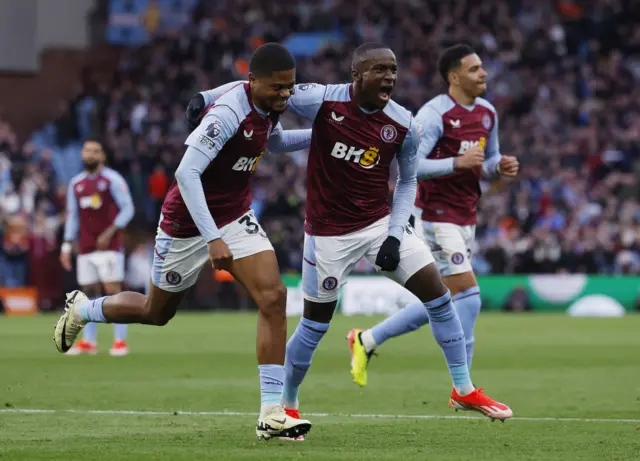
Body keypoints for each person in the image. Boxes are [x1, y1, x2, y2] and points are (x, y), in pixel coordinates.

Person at [53, 43, 313, 441]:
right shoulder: (229, 112)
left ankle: (271, 412)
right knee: (155, 311)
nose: (284, 95)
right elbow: (186, 174)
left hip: (234, 216)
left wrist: (322, 134)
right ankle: (84, 310)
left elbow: (274, 143)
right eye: (277, 88)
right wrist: (211, 239)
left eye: (289, 88)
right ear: (252, 82)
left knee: (274, 297)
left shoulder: (266, 109)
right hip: (185, 223)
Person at [278, 42, 512, 424]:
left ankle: (463, 388)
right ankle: (286, 403)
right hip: (327, 234)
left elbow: (407, 182)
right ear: (357, 75)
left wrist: (391, 234)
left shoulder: (402, 122)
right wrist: (210, 101)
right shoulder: (321, 100)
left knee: (440, 296)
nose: (389, 76)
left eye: (393, 69)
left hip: (377, 223)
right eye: (379, 69)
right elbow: (267, 91)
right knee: (315, 325)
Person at [347, 45, 519, 417]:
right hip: (433, 216)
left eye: (482, 68)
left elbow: (486, 160)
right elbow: (411, 167)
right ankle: (465, 388)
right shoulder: (434, 113)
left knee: (441, 301)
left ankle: (367, 338)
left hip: (465, 215)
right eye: (474, 69)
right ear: (453, 76)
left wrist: (498, 167)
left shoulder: (488, 113)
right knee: (468, 295)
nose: (483, 74)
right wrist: (456, 162)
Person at [60, 139, 134, 356]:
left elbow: (128, 209)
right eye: (87, 151)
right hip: (85, 247)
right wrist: (66, 245)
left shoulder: (112, 180)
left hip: (109, 247)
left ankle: (121, 341)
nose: (90, 155)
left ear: (102, 156)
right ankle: (89, 342)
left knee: (113, 292)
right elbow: (73, 216)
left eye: (95, 151)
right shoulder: (76, 183)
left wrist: (111, 231)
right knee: (89, 293)